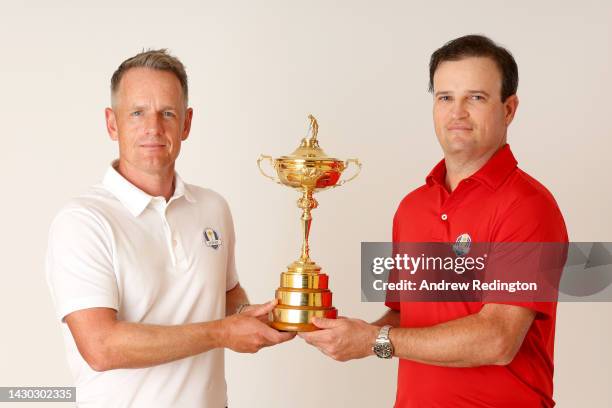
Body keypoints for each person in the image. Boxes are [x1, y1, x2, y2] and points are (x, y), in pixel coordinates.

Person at [300, 35, 568, 407]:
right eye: (445, 98)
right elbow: (405, 315)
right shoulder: (412, 207)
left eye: (475, 97)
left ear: (509, 109)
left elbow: (498, 339)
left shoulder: (528, 206)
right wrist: (347, 333)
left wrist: (373, 342)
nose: (457, 112)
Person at [45, 49, 294, 408]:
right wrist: (222, 333)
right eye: (137, 113)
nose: (153, 128)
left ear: (186, 123)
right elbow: (100, 346)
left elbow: (227, 293)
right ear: (111, 123)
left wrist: (251, 316)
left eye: (167, 113)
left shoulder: (213, 208)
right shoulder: (83, 221)